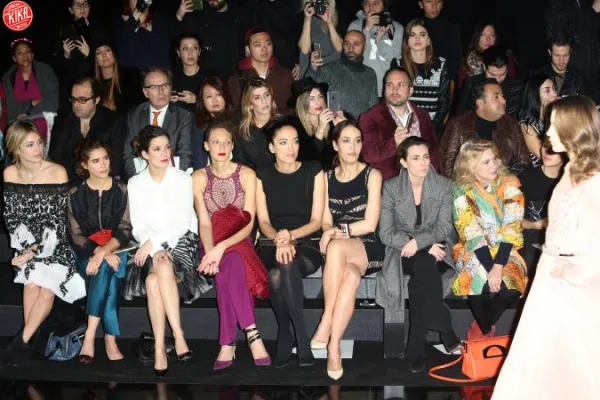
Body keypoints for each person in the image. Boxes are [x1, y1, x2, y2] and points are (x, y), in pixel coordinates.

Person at [493, 95, 600, 400]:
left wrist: (577, 270)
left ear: (573, 129)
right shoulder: (571, 170)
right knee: (539, 364)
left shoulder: (594, 180)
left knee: (575, 365)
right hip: (550, 280)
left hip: (575, 288)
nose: (548, 133)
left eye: (554, 125)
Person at [126, 125, 210, 377]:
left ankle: (164, 345)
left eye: (166, 147)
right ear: (144, 154)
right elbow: (138, 225)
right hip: (147, 245)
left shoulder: (183, 178)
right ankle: (174, 339)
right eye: (157, 149)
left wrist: (155, 243)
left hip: (182, 241)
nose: (164, 153)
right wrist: (151, 246)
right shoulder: (135, 183)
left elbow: (182, 223)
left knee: (158, 273)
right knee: (154, 278)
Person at [0, 121, 86, 367]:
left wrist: (34, 251)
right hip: (27, 243)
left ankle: (21, 343)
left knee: (46, 289)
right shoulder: (10, 173)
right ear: (16, 148)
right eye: (30, 145)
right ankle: (30, 340)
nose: (38, 149)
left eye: (39, 142)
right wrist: (26, 249)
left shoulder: (57, 171)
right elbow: (12, 218)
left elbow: (58, 223)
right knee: (31, 284)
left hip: (56, 244)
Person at [192, 118, 271, 370]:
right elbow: (204, 223)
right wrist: (210, 252)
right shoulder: (198, 177)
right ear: (206, 146)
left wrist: (220, 249)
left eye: (227, 142)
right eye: (216, 142)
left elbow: (248, 224)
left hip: (239, 240)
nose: (222, 147)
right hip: (210, 241)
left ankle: (228, 342)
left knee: (232, 261)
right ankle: (252, 334)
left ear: (233, 145)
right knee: (231, 265)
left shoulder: (247, 175)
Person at [377, 136, 459, 373]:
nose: (423, 163)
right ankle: (445, 327)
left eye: (425, 157)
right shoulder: (391, 187)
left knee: (423, 269)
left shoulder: (443, 185)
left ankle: (416, 347)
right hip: (402, 250)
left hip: (438, 248)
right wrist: (415, 244)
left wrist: (420, 243)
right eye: (415, 158)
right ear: (403, 162)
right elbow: (386, 232)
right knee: (423, 266)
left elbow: (443, 228)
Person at [310, 120, 384, 380]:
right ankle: (334, 347)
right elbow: (325, 219)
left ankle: (326, 320)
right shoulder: (326, 177)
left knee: (336, 247)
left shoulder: (372, 175)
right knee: (350, 276)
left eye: (357, 141)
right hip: (341, 249)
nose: (353, 147)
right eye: (346, 141)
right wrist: (329, 230)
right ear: (335, 145)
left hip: (369, 245)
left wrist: (337, 232)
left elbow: (370, 224)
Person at [255, 120, 325, 368]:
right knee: (278, 270)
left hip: (306, 242)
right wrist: (280, 239)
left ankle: (292, 336)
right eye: (283, 143)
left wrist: (290, 236)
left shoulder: (313, 170)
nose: (291, 148)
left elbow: (317, 221)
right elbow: (263, 221)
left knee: (283, 267)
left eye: (295, 142)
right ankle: (292, 334)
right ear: (272, 147)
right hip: (271, 242)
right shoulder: (261, 174)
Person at [451, 139, 527, 340]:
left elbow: (512, 226)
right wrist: (489, 267)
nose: (494, 165)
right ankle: (486, 331)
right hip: (473, 250)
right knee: (477, 281)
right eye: (486, 162)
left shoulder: (509, 183)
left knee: (512, 286)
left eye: (494, 159)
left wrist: (498, 266)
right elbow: (471, 232)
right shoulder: (461, 190)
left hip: (506, 249)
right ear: (471, 166)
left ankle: (482, 325)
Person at [67, 139, 131, 363]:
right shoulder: (75, 194)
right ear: (84, 165)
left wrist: (104, 252)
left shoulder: (122, 189)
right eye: (95, 161)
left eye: (105, 158)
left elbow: (125, 229)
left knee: (105, 268)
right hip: (87, 252)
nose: (103, 164)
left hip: (117, 248)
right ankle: (110, 339)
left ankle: (90, 336)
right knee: (107, 273)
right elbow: (76, 235)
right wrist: (99, 252)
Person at [360, 67, 440, 180]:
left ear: (410, 91)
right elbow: (368, 155)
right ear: (384, 89)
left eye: (401, 85)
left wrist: (429, 175)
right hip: (389, 183)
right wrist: (394, 143)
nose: (395, 90)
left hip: (423, 180)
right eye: (390, 85)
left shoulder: (423, 115)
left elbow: (434, 151)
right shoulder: (370, 117)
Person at [440, 79, 529, 178]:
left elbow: (523, 162)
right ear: (480, 103)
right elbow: (447, 166)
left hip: (505, 183)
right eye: (496, 97)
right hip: (467, 184)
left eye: (502, 96)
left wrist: (503, 181)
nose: (503, 100)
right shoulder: (459, 125)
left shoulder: (511, 124)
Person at [122, 67, 193, 180]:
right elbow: (128, 155)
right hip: (141, 181)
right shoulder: (134, 115)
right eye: (154, 87)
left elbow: (185, 155)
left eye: (165, 85)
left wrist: (167, 183)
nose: (161, 91)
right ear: (145, 92)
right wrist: (137, 182)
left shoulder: (184, 116)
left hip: (172, 180)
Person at [50, 77, 124, 183]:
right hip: (69, 182)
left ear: (96, 100)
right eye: (73, 99)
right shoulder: (62, 121)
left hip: (102, 182)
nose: (76, 105)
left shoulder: (112, 120)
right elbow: (56, 157)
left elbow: (116, 161)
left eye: (82, 100)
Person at [391, 19, 449, 137]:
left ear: (428, 40)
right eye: (412, 35)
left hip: (431, 127)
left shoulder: (441, 64)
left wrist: (431, 129)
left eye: (422, 35)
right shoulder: (397, 63)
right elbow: (392, 99)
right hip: (403, 127)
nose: (417, 39)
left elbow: (444, 103)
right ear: (407, 40)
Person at [306, 30, 379, 121]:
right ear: (342, 45)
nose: (351, 48)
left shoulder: (370, 74)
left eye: (356, 44)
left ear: (365, 47)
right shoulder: (330, 69)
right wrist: (313, 68)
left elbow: (373, 107)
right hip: (335, 126)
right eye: (347, 44)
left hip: (360, 126)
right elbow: (306, 92)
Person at [2, 38, 59, 142]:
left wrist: (28, 112)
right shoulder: (8, 78)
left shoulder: (45, 70)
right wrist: (31, 103)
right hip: (19, 125)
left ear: (32, 55)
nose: (25, 55)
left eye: (27, 51)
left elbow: (53, 103)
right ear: (14, 58)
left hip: (45, 120)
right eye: (20, 53)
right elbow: (12, 110)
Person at [518, 144, 563, 271]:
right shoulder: (526, 178)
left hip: (562, 247)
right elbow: (511, 220)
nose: (547, 152)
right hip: (530, 245)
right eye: (545, 145)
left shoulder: (572, 180)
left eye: (553, 149)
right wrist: (536, 225)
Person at [227, 28, 294, 113]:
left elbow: (292, 107)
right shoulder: (238, 78)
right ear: (248, 49)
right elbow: (235, 111)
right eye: (258, 45)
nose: (264, 49)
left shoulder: (285, 74)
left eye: (268, 44)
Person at [347, 0, 404, 96]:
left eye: (375, 3)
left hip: (387, 89)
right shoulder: (355, 25)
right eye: (367, 3)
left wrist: (379, 41)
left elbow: (395, 58)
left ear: (384, 6)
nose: (371, 7)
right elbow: (352, 57)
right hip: (360, 87)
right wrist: (367, 30)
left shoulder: (396, 28)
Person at [234, 78, 279, 170]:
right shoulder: (242, 132)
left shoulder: (285, 124)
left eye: (267, 95)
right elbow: (240, 164)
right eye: (257, 97)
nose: (264, 101)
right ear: (250, 104)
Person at [458, 21, 517, 88]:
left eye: (492, 35)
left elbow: (512, 84)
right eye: (483, 35)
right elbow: (462, 88)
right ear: (477, 37)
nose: (488, 39)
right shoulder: (467, 60)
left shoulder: (505, 57)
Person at [192, 77, 233, 170]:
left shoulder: (237, 121)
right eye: (209, 96)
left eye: (218, 94)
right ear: (202, 101)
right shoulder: (197, 125)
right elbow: (198, 159)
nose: (215, 100)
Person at [518, 73, 558, 167]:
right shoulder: (526, 124)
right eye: (547, 90)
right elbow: (545, 156)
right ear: (534, 94)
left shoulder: (553, 117)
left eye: (554, 89)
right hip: (541, 170)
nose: (555, 94)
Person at [93, 40, 141, 114]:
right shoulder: (92, 83)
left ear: (114, 53)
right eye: (99, 53)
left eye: (108, 50)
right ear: (96, 60)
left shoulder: (131, 76)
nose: (104, 55)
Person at [298, 0, 343, 78]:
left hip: (333, 71)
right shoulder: (305, 15)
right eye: (314, 2)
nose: (317, 4)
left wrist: (329, 23)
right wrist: (307, 19)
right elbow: (304, 51)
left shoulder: (336, 15)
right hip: (312, 70)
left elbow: (340, 49)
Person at [171, 34, 213, 114]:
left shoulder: (210, 77)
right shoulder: (172, 77)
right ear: (178, 53)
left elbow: (220, 104)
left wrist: (197, 99)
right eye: (185, 48)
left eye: (194, 48)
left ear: (199, 52)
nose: (190, 52)